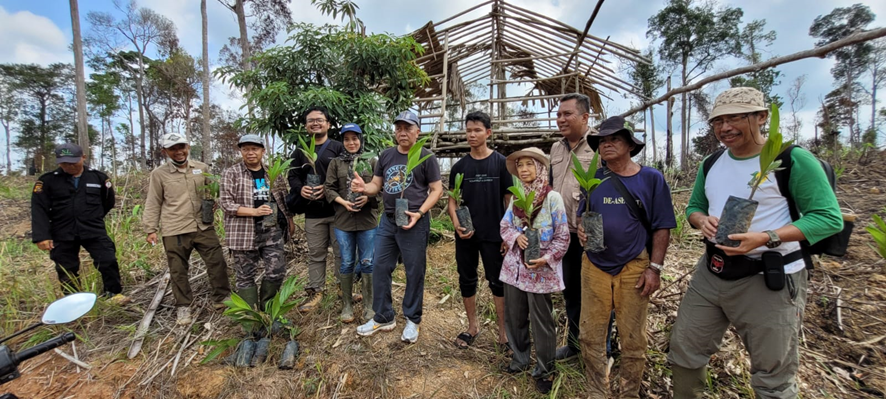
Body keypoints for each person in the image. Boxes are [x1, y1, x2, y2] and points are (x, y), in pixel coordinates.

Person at [668, 87, 843, 398]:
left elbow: (828, 217)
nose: (724, 128)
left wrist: (767, 237)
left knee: (772, 374)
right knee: (685, 350)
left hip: (769, 277)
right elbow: (695, 206)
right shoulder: (712, 163)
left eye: (735, 117)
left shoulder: (790, 159)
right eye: (717, 121)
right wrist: (701, 220)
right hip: (713, 271)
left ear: (762, 117)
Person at [575, 116, 676, 398]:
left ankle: (629, 392)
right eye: (602, 141)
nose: (606, 145)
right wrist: (582, 229)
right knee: (590, 335)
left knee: (633, 339)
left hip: (634, 265)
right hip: (594, 265)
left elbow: (663, 226)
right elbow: (582, 214)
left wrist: (654, 268)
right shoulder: (594, 179)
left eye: (614, 139)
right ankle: (597, 390)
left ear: (630, 145)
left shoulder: (651, 178)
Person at [351, 111, 444, 344]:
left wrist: (421, 212)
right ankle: (383, 316)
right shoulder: (387, 155)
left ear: (417, 131)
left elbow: (436, 189)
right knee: (379, 266)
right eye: (398, 128)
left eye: (407, 128)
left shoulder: (425, 156)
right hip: (389, 220)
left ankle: (413, 319)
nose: (402, 132)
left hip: (414, 220)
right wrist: (365, 188)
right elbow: (376, 185)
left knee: (414, 271)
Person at [498, 147, 570, 394]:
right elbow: (505, 226)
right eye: (520, 166)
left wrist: (547, 258)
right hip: (514, 270)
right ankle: (519, 359)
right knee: (515, 316)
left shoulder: (552, 199)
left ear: (540, 168)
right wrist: (516, 236)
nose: (524, 169)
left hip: (540, 272)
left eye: (529, 164)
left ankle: (545, 369)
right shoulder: (518, 198)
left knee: (542, 321)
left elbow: (563, 237)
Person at [143, 133, 232, 325]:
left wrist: (214, 201)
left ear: (188, 147)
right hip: (175, 228)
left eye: (181, 147)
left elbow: (214, 190)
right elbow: (153, 202)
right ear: (165, 151)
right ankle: (183, 306)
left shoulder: (201, 168)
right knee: (178, 270)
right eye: (173, 149)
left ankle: (222, 298)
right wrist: (151, 229)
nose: (178, 152)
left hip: (203, 226)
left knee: (217, 262)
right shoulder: (159, 174)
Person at [447, 111, 511, 350]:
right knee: (467, 279)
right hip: (466, 234)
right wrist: (456, 223)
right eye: (468, 130)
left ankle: (503, 334)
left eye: (477, 130)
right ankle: (472, 327)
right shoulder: (460, 167)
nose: (472, 135)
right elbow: (453, 200)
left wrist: (508, 233)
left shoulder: (502, 163)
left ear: (488, 132)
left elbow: (509, 201)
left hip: (494, 235)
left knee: (498, 282)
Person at [32, 143, 126, 301]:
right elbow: (38, 209)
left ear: (83, 157)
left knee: (107, 259)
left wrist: (92, 216)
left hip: (93, 229)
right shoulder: (47, 181)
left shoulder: (98, 178)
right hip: (62, 231)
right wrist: (41, 236)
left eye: (73, 162)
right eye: (64, 163)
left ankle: (113, 293)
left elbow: (108, 202)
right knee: (66, 268)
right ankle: (73, 301)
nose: (69, 166)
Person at [220, 134, 295, 314]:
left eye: (254, 149)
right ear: (241, 151)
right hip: (243, 231)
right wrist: (253, 211)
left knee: (276, 271)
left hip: (271, 229)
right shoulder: (232, 173)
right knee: (245, 276)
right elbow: (225, 203)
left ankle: (268, 312)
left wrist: (290, 221)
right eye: (246, 149)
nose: (250, 153)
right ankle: (252, 320)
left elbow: (283, 198)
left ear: (263, 151)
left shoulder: (272, 173)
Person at [549, 93, 597, 360]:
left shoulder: (599, 146)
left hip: (589, 236)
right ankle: (575, 345)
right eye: (558, 114)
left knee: (597, 294)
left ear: (585, 117)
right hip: (563, 234)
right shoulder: (556, 149)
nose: (561, 119)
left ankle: (603, 349)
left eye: (567, 114)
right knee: (571, 292)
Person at [287, 106, 344, 312]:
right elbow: (292, 175)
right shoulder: (300, 151)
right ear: (306, 126)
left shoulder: (338, 147)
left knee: (341, 252)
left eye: (320, 120)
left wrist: (329, 190)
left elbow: (347, 173)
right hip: (313, 213)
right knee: (316, 254)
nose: (315, 123)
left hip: (338, 211)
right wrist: (300, 189)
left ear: (328, 124)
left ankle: (342, 288)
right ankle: (316, 291)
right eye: (311, 120)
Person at [325, 123, 379, 323]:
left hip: (367, 222)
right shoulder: (335, 164)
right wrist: (342, 202)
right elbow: (328, 188)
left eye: (354, 138)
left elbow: (379, 189)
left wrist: (368, 198)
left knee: (367, 262)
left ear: (361, 139)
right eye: (346, 139)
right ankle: (346, 305)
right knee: (347, 262)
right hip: (343, 221)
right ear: (342, 142)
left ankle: (369, 306)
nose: (351, 142)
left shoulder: (372, 161)